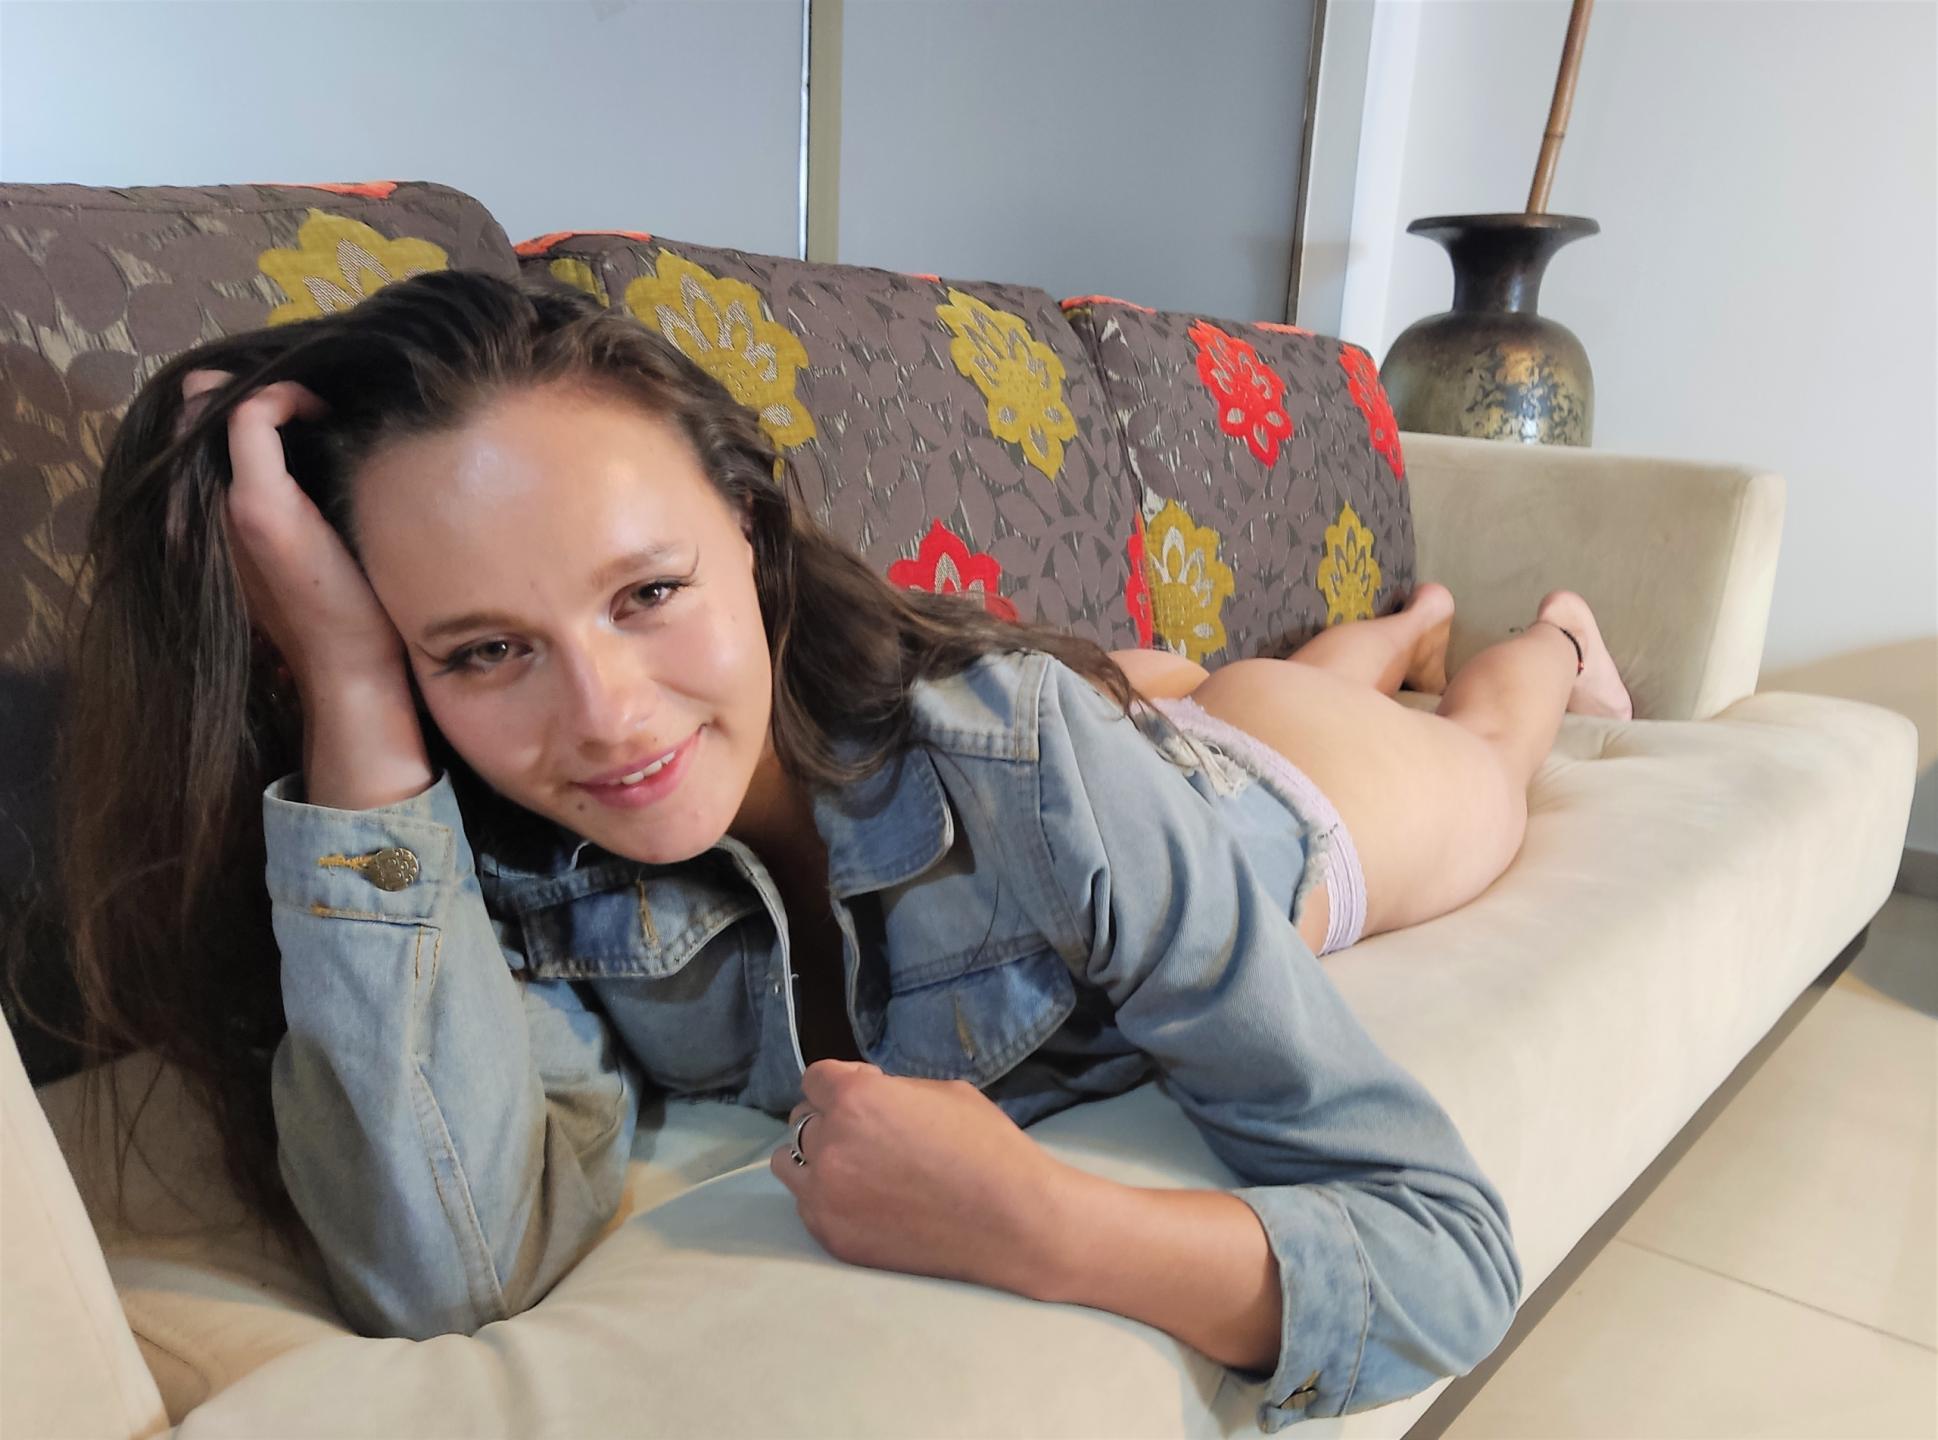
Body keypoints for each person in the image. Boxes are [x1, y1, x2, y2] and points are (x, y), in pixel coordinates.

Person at [57, 269, 1627, 1427]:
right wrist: (347, 689)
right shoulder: (512, 860)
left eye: (647, 592)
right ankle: (1331, 651)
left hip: (1285, 805)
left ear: (747, 532)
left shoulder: (1025, 762)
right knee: (1202, 687)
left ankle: (1544, 641)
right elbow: (445, 1267)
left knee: (1480, 748)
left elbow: (1444, 1258)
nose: (605, 720)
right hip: (1105, 738)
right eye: (480, 650)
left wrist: (1039, 1225)